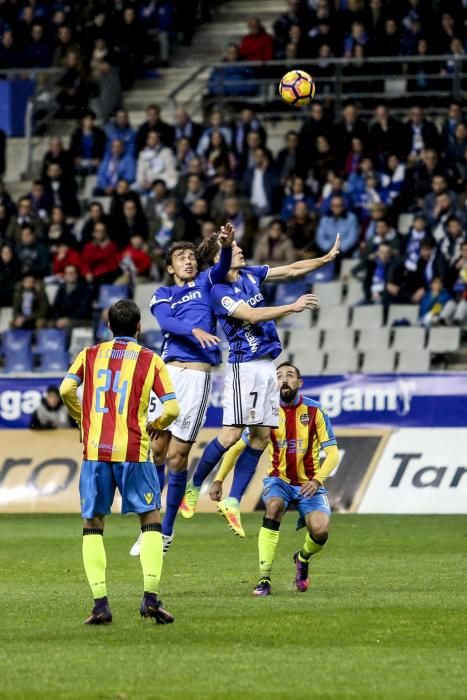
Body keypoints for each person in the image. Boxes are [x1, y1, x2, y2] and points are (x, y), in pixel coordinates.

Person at [179, 234, 340, 531]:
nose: (241, 250)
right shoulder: (218, 290)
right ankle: (194, 485)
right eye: (234, 249)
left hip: (267, 366)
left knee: (262, 437)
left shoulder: (249, 274)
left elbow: (290, 270)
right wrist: (291, 307)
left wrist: (325, 259)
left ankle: (233, 501)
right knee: (230, 435)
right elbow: (251, 315)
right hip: (246, 366)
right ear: (219, 258)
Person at [59, 300, 180, 625]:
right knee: (150, 519)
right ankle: (150, 599)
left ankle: (100, 605)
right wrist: (153, 424)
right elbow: (171, 409)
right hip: (133, 450)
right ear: (139, 327)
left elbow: (66, 388)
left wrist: (83, 419)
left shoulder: (89, 355)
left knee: (93, 524)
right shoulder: (150, 359)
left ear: (109, 327)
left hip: (96, 452)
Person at [129, 224, 235, 558]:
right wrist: (194, 330)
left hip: (197, 379)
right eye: (181, 257)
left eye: (191, 256)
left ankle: (166, 532)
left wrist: (228, 246)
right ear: (170, 267)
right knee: (156, 450)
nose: (188, 261)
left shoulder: (206, 282)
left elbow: (221, 265)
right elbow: (165, 323)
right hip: (168, 373)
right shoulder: (163, 294)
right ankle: (150, 528)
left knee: (177, 456)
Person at [210, 363, 339, 594]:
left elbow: (332, 453)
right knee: (274, 506)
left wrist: (318, 480)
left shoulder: (315, 411)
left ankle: (302, 558)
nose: (284, 380)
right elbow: (238, 446)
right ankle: (264, 580)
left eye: (290, 375)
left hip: (309, 484)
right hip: (278, 480)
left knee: (320, 531)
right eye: (278, 376)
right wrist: (219, 479)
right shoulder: (266, 413)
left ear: (299, 383)